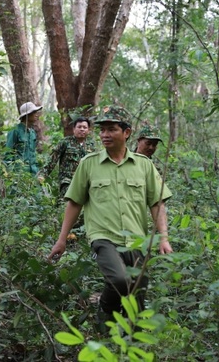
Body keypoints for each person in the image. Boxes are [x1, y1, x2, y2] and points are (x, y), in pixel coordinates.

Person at [48, 105, 172, 333]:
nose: (105, 134)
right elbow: (74, 202)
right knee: (119, 280)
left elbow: (157, 203)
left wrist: (163, 238)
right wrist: (62, 240)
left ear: (126, 133)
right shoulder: (89, 164)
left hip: (136, 240)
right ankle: (105, 314)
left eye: (111, 129)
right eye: (102, 129)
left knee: (137, 294)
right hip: (103, 237)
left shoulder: (144, 166)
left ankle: (130, 344)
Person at [38, 117, 96, 199]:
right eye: (79, 127)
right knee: (66, 204)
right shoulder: (65, 142)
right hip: (68, 181)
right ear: (74, 129)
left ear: (88, 130)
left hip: (86, 182)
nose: (82, 129)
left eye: (84, 127)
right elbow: (52, 160)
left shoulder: (92, 145)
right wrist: (43, 175)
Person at [4, 101, 42, 175]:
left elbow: (33, 155)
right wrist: (9, 174)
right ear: (27, 115)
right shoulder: (14, 130)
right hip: (19, 175)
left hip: (33, 174)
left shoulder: (32, 133)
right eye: (34, 112)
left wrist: (37, 172)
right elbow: (8, 154)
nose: (37, 115)